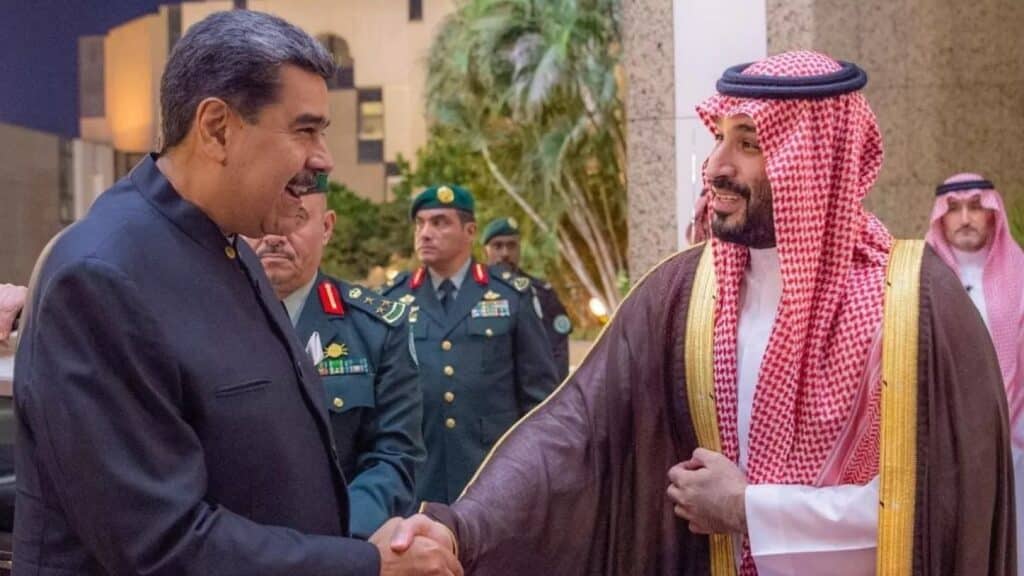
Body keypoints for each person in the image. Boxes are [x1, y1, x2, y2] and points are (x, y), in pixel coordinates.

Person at [392, 51, 1014, 575]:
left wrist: (749, 509)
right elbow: (577, 429)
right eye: (719, 138)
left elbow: (940, 506)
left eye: (748, 144)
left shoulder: (912, 303)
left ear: (813, 160)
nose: (716, 166)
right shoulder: (686, 292)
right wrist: (462, 529)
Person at [13, 10, 458, 575]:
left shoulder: (230, 251)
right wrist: (366, 566)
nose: (323, 159)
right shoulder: (100, 277)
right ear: (217, 128)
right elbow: (162, 545)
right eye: (305, 130)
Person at [245, 188, 426, 539]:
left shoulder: (375, 329)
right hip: (237, 548)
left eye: (296, 219)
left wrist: (338, 541)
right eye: (262, 218)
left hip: (344, 543)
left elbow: (394, 455)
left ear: (326, 227)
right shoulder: (203, 322)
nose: (275, 235)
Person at [380, 186, 558, 505]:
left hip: (492, 477)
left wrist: (534, 476)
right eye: (420, 224)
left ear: (470, 231)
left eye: (439, 222)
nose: (425, 233)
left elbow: (539, 399)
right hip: (420, 479)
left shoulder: (510, 296)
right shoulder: (394, 300)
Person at [925, 173, 1024, 576]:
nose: (965, 218)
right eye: (954, 209)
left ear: (993, 213)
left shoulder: (1020, 275)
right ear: (940, 218)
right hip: (944, 441)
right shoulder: (922, 279)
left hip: (1015, 440)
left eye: (975, 207)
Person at [481, 217, 572, 380]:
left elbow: (558, 349)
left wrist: (554, 390)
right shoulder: (471, 292)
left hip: (533, 388)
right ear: (485, 251)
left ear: (519, 249)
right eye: (497, 246)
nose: (505, 253)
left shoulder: (541, 292)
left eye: (511, 246)